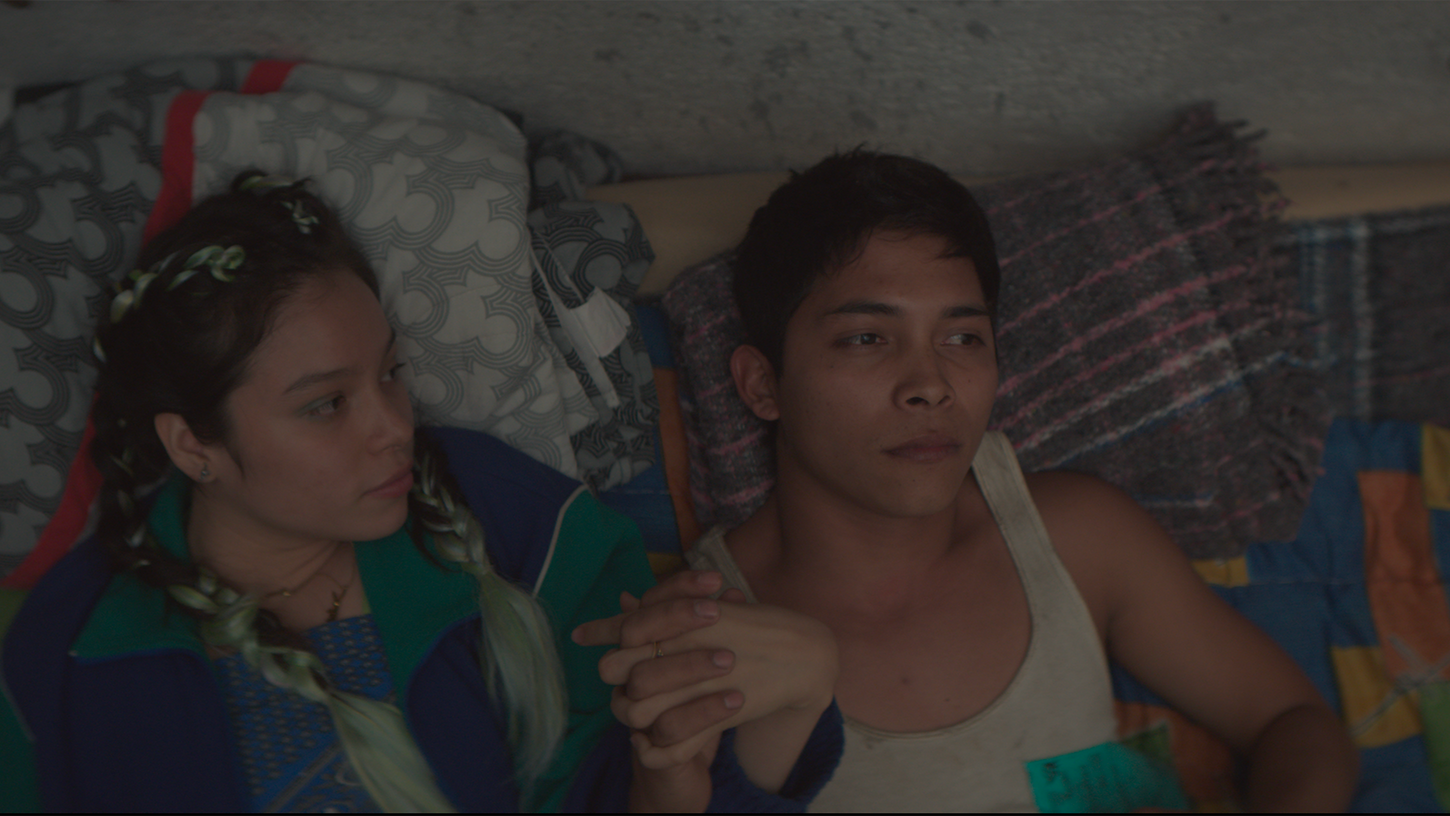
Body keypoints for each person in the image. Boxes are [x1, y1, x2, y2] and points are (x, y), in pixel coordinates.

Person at [0, 172, 841, 812]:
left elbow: (642, 778)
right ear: (194, 444)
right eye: (325, 405)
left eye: (390, 373)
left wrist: (683, 766)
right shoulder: (70, 659)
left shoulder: (510, 522)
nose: (394, 426)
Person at [631, 150, 1357, 811]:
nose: (931, 385)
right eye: (866, 338)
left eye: (962, 338)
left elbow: (1295, 723)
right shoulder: (709, 639)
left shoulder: (1075, 539)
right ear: (763, 385)